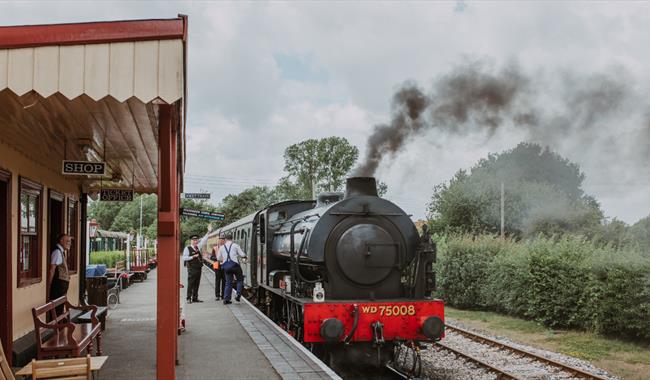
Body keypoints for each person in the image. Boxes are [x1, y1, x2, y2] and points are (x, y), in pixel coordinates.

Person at [217, 232, 246, 305]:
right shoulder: (235, 245)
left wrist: (223, 260)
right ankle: (238, 295)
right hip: (235, 266)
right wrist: (244, 257)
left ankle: (226, 299)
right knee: (240, 280)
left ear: (225, 239)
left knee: (228, 283)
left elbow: (218, 258)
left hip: (226, 267)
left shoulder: (221, 247)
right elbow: (242, 254)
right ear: (232, 239)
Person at [48, 234, 72, 314]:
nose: (69, 243)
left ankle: (59, 324)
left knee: (60, 307)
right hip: (58, 285)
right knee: (57, 309)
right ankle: (57, 325)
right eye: (67, 241)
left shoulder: (61, 251)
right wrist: (49, 284)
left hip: (61, 285)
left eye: (70, 241)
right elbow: (52, 269)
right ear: (61, 241)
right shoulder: (57, 252)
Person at [182, 235, 203, 303]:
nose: (195, 241)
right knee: (191, 283)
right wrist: (192, 256)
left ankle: (195, 298)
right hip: (192, 268)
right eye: (193, 240)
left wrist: (208, 233)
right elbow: (184, 258)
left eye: (196, 240)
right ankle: (188, 298)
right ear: (191, 241)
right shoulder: (187, 248)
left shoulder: (197, 247)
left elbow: (203, 241)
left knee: (197, 283)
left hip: (198, 268)